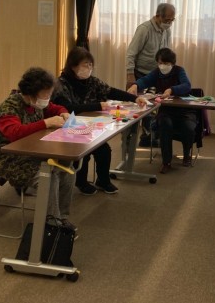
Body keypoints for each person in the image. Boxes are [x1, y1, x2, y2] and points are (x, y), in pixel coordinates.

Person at [0, 67, 76, 230]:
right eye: (45, 94)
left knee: (67, 168)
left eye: (50, 93)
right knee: (48, 177)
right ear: (31, 92)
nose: (48, 98)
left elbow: (55, 108)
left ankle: (62, 217)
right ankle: (53, 224)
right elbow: (14, 133)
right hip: (9, 157)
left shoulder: (36, 103)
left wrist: (63, 112)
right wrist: (46, 123)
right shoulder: (9, 107)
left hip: (32, 150)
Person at [53, 46, 147, 195]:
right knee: (84, 151)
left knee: (104, 149)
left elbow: (111, 91)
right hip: (68, 127)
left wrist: (135, 98)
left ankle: (103, 181)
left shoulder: (91, 81)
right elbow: (68, 108)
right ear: (73, 66)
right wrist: (97, 105)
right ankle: (81, 182)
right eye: (85, 64)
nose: (89, 68)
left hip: (89, 124)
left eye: (90, 64)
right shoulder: (61, 84)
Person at [127, 48, 195, 174]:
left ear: (172, 63)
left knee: (188, 127)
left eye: (166, 63)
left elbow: (187, 86)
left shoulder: (179, 71)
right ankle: (166, 162)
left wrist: (171, 90)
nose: (162, 66)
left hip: (183, 111)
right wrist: (135, 85)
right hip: (166, 111)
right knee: (165, 124)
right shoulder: (157, 73)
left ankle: (187, 156)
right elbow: (145, 80)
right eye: (160, 63)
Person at [126, 3, 176, 147]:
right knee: (134, 107)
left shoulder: (167, 31)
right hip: (139, 74)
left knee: (152, 107)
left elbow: (166, 53)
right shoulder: (145, 29)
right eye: (167, 20)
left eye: (172, 20)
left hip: (155, 75)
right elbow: (130, 53)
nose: (169, 23)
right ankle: (128, 140)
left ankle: (147, 138)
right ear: (158, 16)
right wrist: (130, 76)